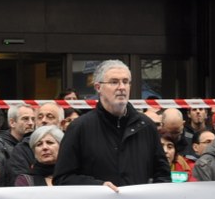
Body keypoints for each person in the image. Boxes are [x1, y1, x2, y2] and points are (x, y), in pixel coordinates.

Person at [54, 60, 168, 189]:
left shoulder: (146, 126)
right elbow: (62, 178)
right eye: (114, 82)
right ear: (98, 87)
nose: (121, 87)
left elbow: (163, 175)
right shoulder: (79, 128)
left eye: (125, 82)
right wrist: (99, 186)